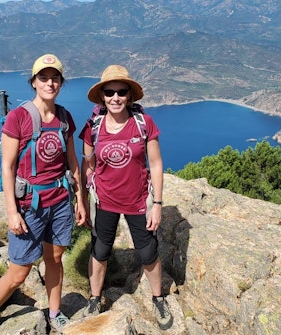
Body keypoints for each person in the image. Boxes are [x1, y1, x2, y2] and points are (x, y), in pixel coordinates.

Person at [0, 54, 87, 334]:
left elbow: (73, 162)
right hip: (29, 206)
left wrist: (80, 199)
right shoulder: (18, 118)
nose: (50, 83)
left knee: (55, 259)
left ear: (61, 82)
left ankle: (55, 311)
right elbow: (8, 167)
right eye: (44, 78)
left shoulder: (64, 117)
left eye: (55, 78)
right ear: (34, 82)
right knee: (20, 270)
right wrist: (12, 211)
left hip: (60, 201)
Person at [78, 65, 172, 330]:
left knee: (147, 253)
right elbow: (88, 165)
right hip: (104, 201)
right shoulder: (93, 126)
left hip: (138, 201)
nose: (115, 98)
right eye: (109, 92)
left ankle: (158, 298)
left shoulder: (143, 123)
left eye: (121, 92)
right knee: (100, 251)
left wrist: (158, 204)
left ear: (130, 96)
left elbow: (155, 163)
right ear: (102, 96)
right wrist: (83, 200)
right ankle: (95, 298)